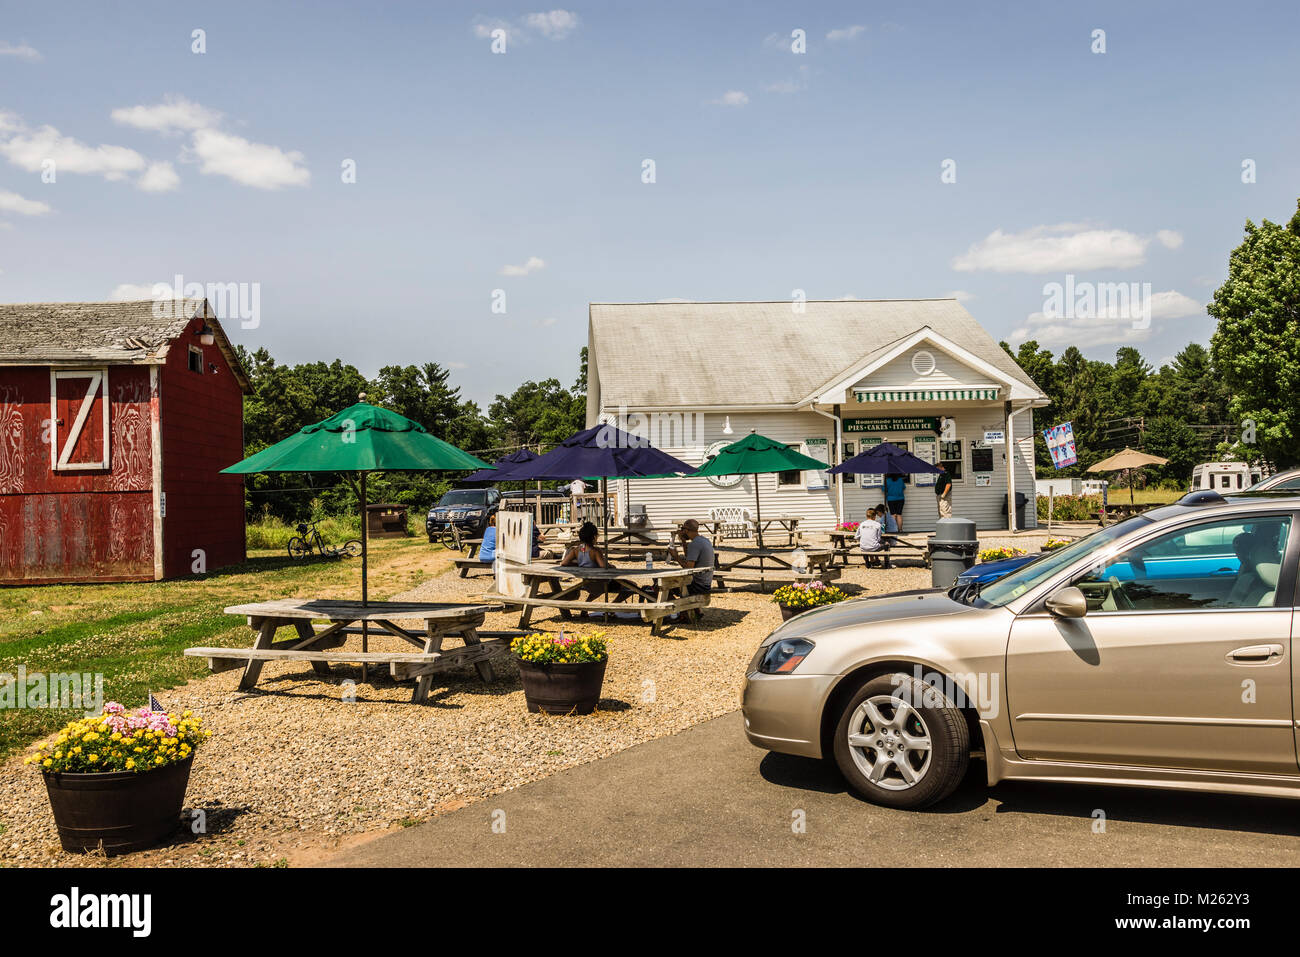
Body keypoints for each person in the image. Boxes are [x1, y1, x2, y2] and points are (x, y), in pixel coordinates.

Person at [560, 521, 611, 618]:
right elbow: (602, 566)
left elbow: (563, 563)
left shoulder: (576, 550)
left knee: (596, 589)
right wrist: (610, 565)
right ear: (594, 537)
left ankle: (585, 608)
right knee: (630, 586)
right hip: (601, 583)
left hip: (586, 583)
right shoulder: (595, 551)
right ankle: (612, 608)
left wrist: (577, 564)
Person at [668, 518, 714, 596]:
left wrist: (676, 557)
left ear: (686, 530)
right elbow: (689, 557)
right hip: (706, 584)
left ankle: (678, 607)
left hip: (697, 586)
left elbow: (688, 569)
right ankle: (685, 607)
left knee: (662, 586)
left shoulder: (694, 544)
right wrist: (683, 541)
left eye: (682, 529)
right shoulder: (704, 540)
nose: (681, 531)